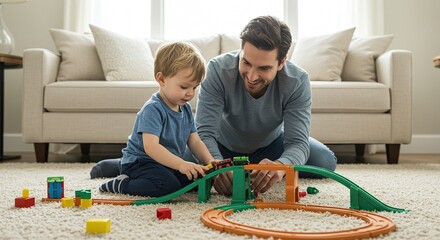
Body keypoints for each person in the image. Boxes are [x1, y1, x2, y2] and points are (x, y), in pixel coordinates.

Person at [92, 15, 337, 196]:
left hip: (270, 146)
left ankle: (145, 162)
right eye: (246, 62)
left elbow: (297, 142)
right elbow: (204, 133)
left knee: (325, 161)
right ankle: (132, 164)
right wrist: (216, 167)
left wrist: (282, 167)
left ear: (282, 62)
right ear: (241, 51)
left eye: (264, 68)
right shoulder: (218, 70)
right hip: (218, 148)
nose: (251, 76)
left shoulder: (298, 81)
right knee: (185, 167)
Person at [98, 42, 219, 197]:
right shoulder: (153, 109)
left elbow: (195, 141)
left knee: (199, 179)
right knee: (166, 187)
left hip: (166, 163)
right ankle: (122, 183)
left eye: (194, 87)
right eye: (184, 87)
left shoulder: (186, 109)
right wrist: (181, 164)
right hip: (141, 162)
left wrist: (210, 162)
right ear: (161, 79)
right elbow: (151, 148)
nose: (190, 93)